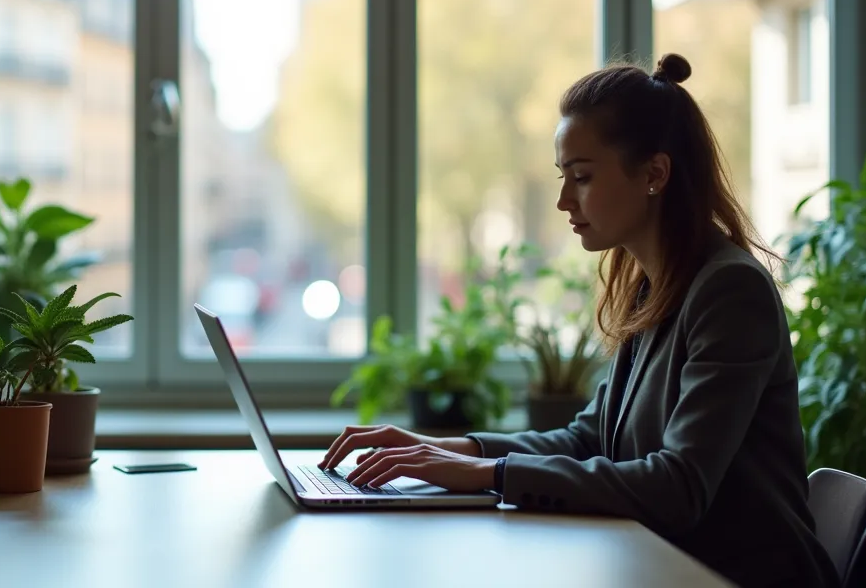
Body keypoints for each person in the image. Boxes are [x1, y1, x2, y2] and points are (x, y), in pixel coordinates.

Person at [319, 54, 839, 587]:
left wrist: (488, 475)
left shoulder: (730, 289)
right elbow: (589, 438)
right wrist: (452, 450)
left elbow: (679, 486)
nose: (565, 200)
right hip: (662, 566)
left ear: (655, 174)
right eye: (563, 177)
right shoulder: (651, 283)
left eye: (582, 177)